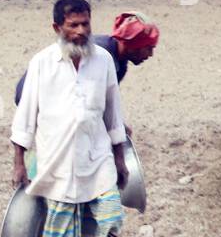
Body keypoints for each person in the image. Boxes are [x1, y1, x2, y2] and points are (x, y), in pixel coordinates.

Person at [11, 0, 128, 237]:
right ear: (57, 27)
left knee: (112, 218)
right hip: (56, 158)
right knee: (61, 227)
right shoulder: (42, 63)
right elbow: (25, 116)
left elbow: (114, 113)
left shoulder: (103, 60)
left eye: (85, 24)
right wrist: (19, 161)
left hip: (97, 156)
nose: (80, 31)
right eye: (73, 25)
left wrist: (119, 157)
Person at [15, 9, 159, 139]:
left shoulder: (119, 64)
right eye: (148, 48)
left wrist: (118, 125)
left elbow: (103, 102)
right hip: (41, 104)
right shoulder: (98, 55)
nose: (151, 54)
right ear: (133, 44)